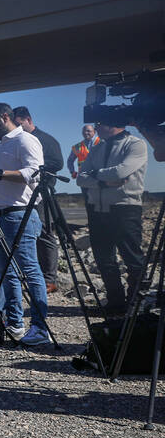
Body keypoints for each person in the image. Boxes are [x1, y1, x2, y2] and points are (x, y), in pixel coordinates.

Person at [0, 102, 49, 345]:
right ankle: (15, 323)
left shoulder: (25, 141)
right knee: (6, 273)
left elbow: (34, 173)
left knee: (29, 270)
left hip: (19, 215)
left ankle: (39, 328)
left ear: (5, 117)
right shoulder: (0, 147)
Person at [76, 119, 148, 315]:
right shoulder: (98, 148)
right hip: (97, 209)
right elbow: (80, 178)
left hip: (124, 208)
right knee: (104, 259)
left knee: (132, 258)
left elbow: (122, 171)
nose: (96, 127)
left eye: (100, 123)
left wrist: (94, 175)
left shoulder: (135, 144)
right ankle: (116, 302)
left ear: (114, 124)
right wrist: (103, 182)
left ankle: (136, 303)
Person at [13, 107, 64, 293]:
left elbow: (58, 163)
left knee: (45, 234)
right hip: (24, 194)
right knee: (28, 234)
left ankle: (49, 279)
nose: (18, 128)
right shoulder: (18, 141)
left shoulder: (46, 140)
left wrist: (34, 168)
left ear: (28, 119)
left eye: (19, 124)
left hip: (43, 193)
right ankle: (31, 275)